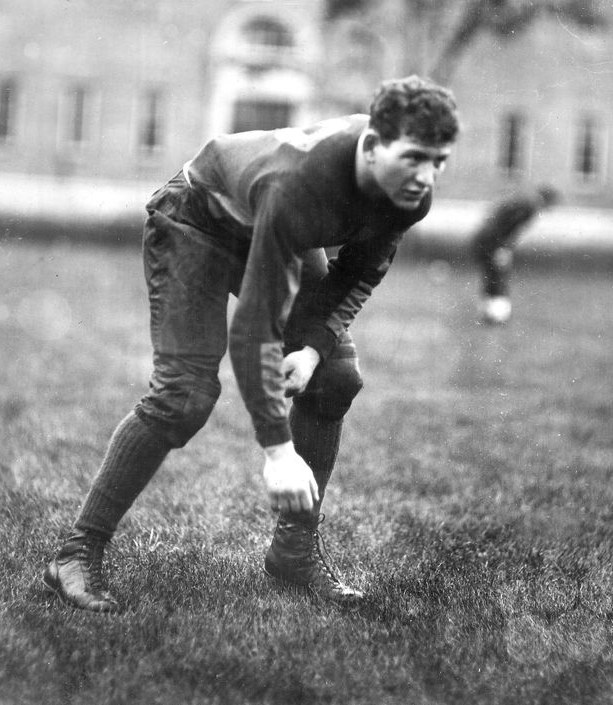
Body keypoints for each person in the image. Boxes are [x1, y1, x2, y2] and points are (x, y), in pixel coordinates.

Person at [42, 74, 460, 612]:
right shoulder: (299, 186)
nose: (427, 176)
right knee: (183, 397)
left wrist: (312, 348)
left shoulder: (409, 193)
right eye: (416, 158)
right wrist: (277, 451)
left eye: (439, 161)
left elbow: (358, 274)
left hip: (269, 227)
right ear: (374, 146)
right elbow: (254, 329)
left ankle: (294, 554)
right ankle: (75, 554)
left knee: (334, 376)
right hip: (195, 220)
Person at [471, 185, 560, 324]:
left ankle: (489, 312)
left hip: (485, 238)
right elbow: (507, 227)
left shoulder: (524, 201)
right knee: (497, 275)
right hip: (492, 241)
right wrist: (502, 248)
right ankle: (496, 314)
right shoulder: (529, 207)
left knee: (491, 275)